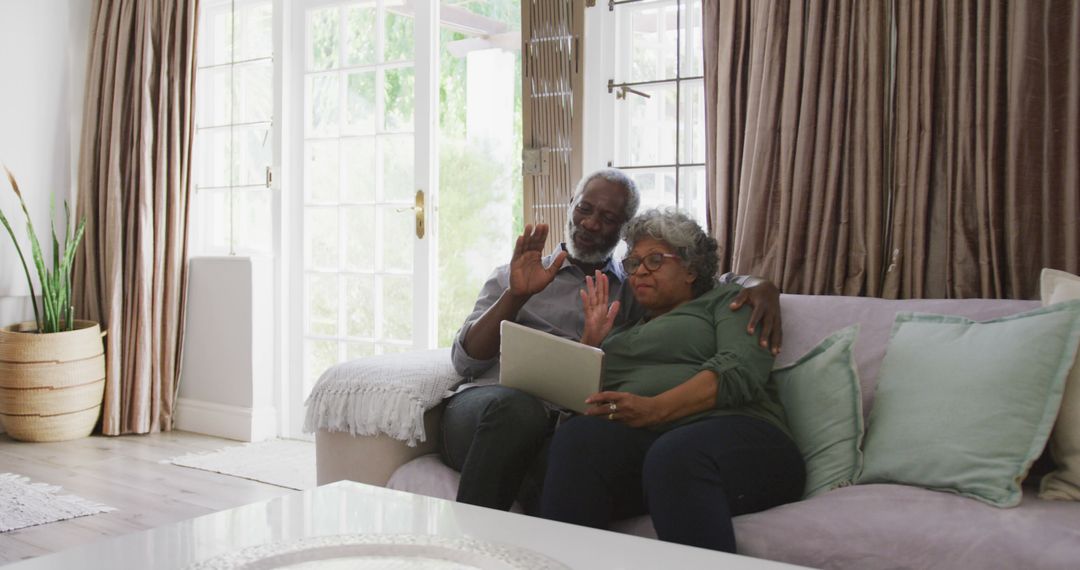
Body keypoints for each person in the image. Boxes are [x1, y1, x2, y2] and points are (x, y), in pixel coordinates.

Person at [442, 168, 784, 513]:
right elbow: (466, 360)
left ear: (624, 230)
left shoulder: (634, 287)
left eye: (608, 218)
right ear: (570, 206)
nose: (590, 224)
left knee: (569, 450)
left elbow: (699, 280)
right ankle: (469, 550)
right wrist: (515, 296)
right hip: (488, 409)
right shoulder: (514, 273)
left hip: (559, 423)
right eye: (584, 209)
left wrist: (759, 285)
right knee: (520, 412)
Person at [537, 208, 805, 553]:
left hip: (744, 439)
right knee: (577, 440)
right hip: (657, 448)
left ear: (691, 268)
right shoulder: (620, 332)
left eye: (654, 260)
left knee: (676, 454)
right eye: (633, 263)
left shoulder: (726, 303)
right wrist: (591, 344)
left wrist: (656, 410)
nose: (640, 272)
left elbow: (740, 369)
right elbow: (581, 399)